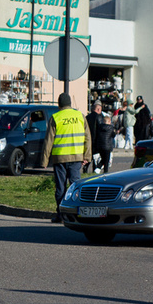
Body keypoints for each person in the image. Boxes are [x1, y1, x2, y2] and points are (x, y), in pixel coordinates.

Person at [41, 93, 91, 224]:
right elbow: (87, 137)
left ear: (59, 104)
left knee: (60, 189)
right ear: (70, 103)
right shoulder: (80, 116)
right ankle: (78, 214)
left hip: (60, 158)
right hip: (76, 158)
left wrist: (44, 160)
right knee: (75, 187)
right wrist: (87, 156)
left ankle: (61, 215)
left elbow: (48, 141)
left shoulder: (56, 117)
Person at [85, 101, 103, 173]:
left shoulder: (87, 117)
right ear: (98, 109)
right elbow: (100, 129)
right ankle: (94, 171)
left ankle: (85, 169)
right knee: (96, 158)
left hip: (88, 140)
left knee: (88, 157)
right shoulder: (99, 117)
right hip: (96, 141)